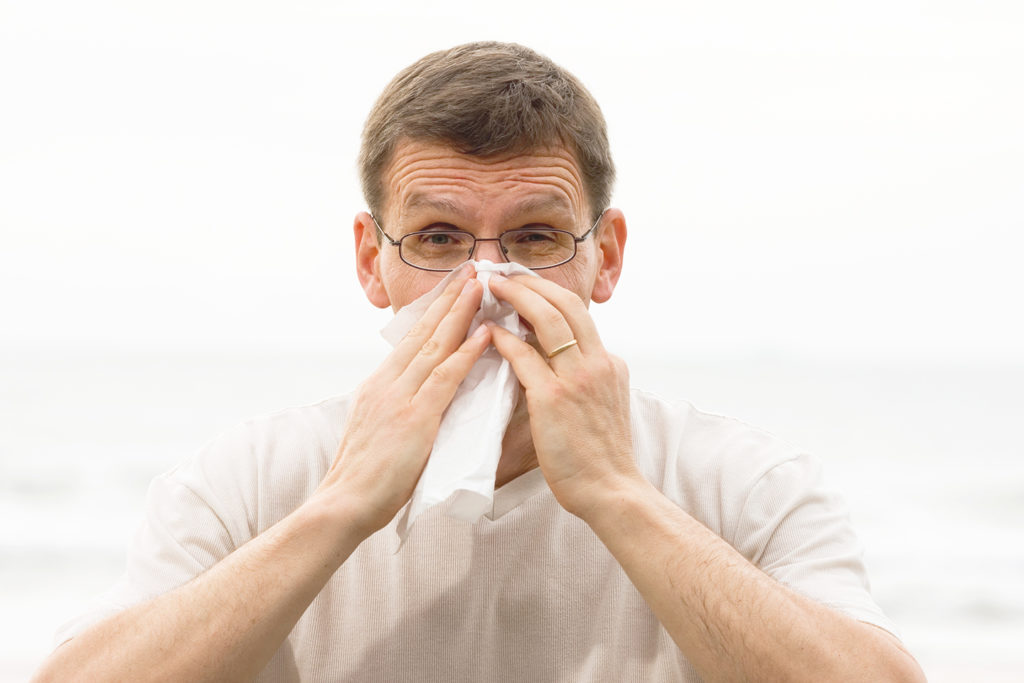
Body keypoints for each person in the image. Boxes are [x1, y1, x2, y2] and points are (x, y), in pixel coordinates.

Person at [34, 42, 925, 682]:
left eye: (536, 236)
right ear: (369, 260)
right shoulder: (252, 476)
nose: (487, 279)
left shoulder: (741, 481)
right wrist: (345, 503)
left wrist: (618, 493)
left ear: (604, 256)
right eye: (438, 237)